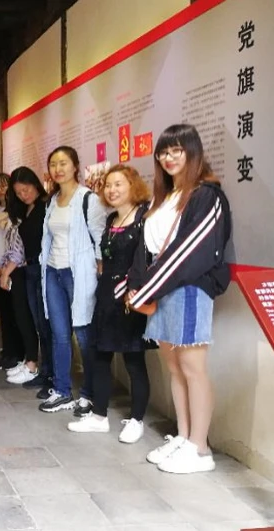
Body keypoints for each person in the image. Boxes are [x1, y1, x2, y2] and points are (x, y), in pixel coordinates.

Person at [127, 124, 232, 474]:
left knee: (193, 368)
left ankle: (200, 449)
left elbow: (190, 251)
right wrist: (137, 284)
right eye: (163, 152)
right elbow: (146, 249)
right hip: (162, 290)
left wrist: (148, 287)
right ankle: (184, 437)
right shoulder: (164, 197)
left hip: (189, 289)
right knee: (174, 368)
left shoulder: (206, 195)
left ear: (192, 152)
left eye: (177, 150)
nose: (169, 158)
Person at [68, 165, 151, 444]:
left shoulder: (144, 217)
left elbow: (146, 260)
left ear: (133, 185)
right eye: (108, 185)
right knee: (100, 356)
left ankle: (137, 420)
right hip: (105, 297)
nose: (112, 190)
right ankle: (99, 416)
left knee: (133, 361)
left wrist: (132, 288)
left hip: (130, 298)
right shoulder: (111, 219)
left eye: (119, 184)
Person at [39, 146, 106, 414]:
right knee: (59, 335)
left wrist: (99, 270)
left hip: (78, 273)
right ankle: (62, 391)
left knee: (84, 333)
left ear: (76, 166)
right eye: (53, 164)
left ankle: (89, 393)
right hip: (53, 271)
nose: (58, 169)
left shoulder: (88, 199)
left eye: (63, 163)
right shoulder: (52, 200)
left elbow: (100, 238)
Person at [0, 175, 39, 382]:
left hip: (20, 269)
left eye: (4, 186)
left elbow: (18, 245)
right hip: (7, 269)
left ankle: (26, 359)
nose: (1, 190)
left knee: (22, 316)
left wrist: (6, 270)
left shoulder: (22, 212)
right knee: (9, 315)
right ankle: (16, 355)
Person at [7, 167, 54, 399]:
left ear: (35, 184)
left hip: (43, 269)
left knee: (47, 325)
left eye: (26, 189)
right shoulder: (27, 209)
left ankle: (50, 373)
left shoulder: (47, 205)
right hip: (30, 270)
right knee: (39, 324)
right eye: (18, 193)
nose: (23, 195)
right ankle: (44, 371)